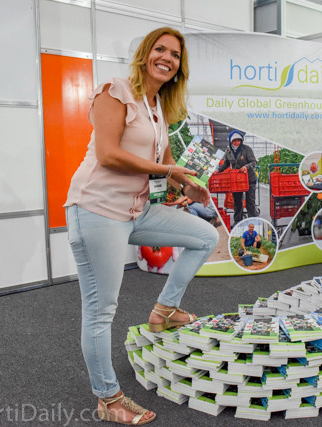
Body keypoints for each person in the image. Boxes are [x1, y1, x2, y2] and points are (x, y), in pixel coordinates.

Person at [64, 28, 218, 425]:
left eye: (175, 55)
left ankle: (164, 310)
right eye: (160, 49)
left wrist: (188, 187)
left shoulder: (158, 107)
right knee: (101, 309)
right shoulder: (115, 91)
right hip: (97, 209)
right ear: (145, 54)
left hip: (137, 210)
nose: (167, 58)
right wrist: (168, 171)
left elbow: (166, 167)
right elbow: (108, 154)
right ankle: (108, 398)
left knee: (205, 235)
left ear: (179, 67)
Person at [216, 130, 258, 225]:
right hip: (237, 181)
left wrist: (246, 167)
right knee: (237, 202)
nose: (237, 142)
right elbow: (226, 163)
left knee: (250, 201)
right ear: (231, 141)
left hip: (249, 179)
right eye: (234, 140)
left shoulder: (246, 149)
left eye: (239, 140)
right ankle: (238, 222)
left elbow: (253, 162)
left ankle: (252, 221)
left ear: (241, 140)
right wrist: (218, 170)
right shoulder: (228, 151)